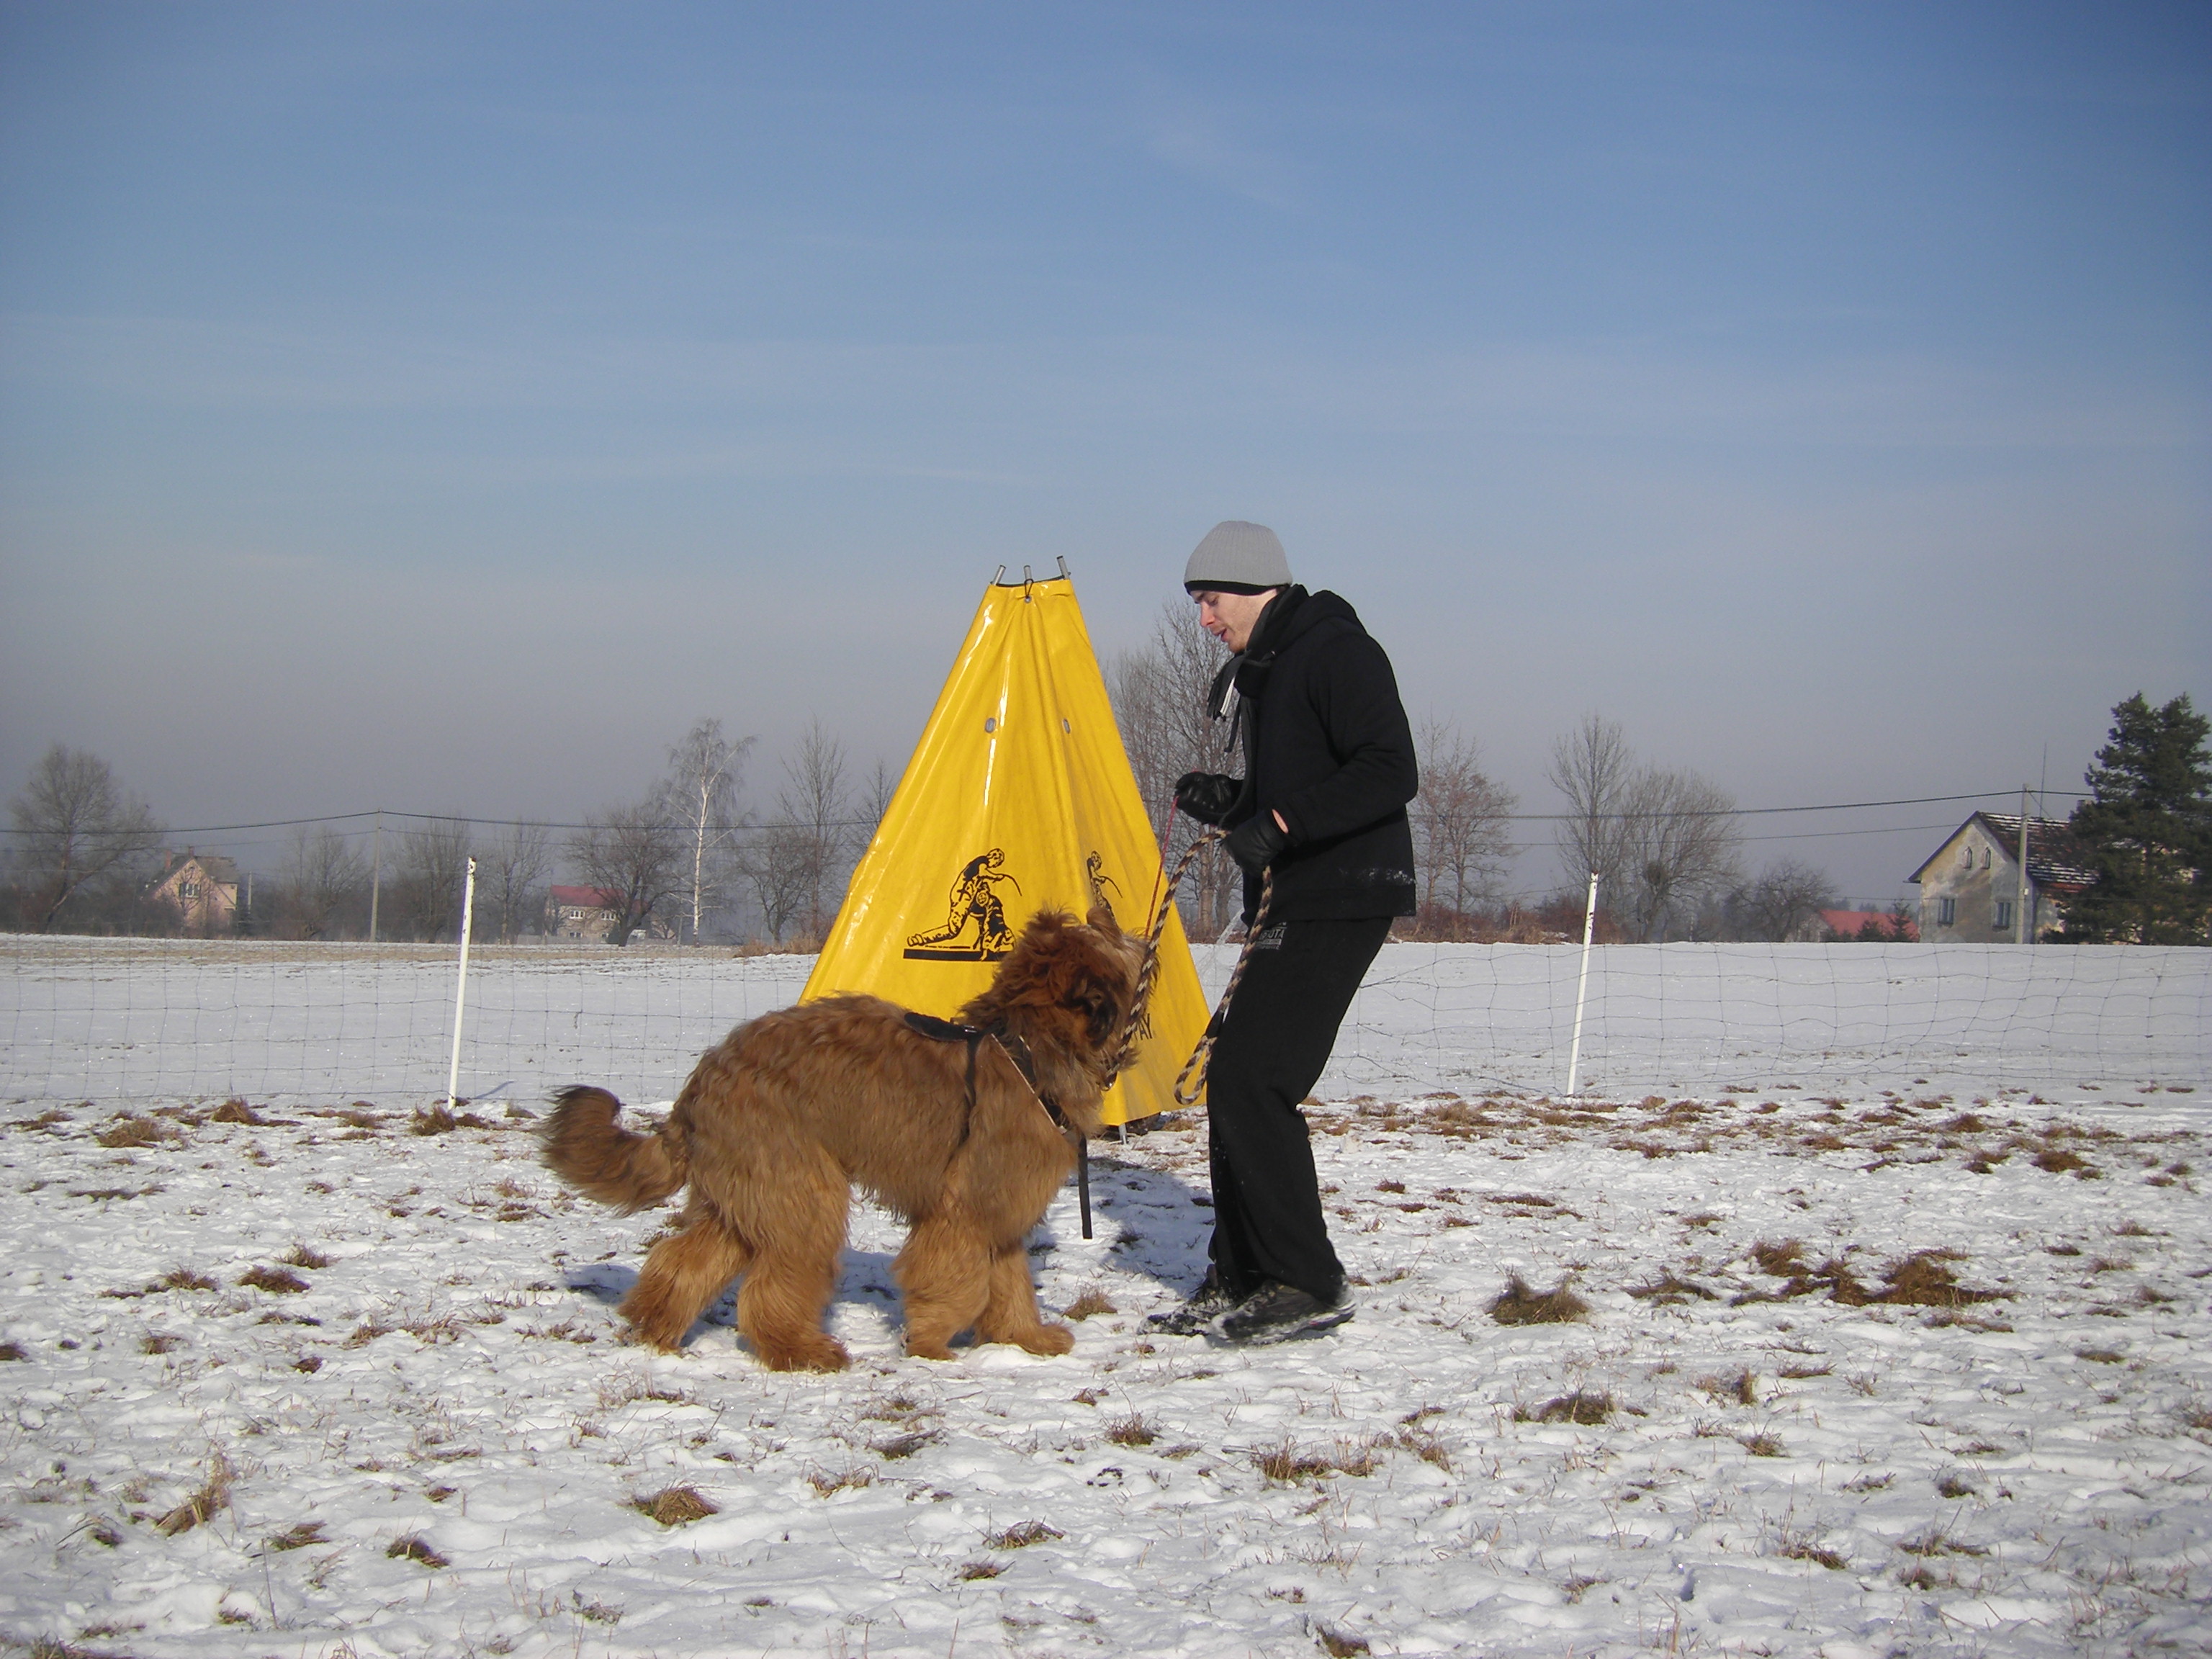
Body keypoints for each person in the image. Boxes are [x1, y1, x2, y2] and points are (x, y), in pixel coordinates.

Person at [1151, 521, 1419, 1344]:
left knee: (1254, 1080)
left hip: (1343, 894)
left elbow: (1389, 768)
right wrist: (1231, 803)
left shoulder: (1336, 651)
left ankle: (1305, 1278)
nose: (1204, 620)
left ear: (1257, 587)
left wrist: (1277, 819)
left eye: (1212, 601)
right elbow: (1290, 798)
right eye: (1198, 604)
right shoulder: (1267, 671)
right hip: (1294, 891)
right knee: (1235, 1076)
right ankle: (1242, 1271)